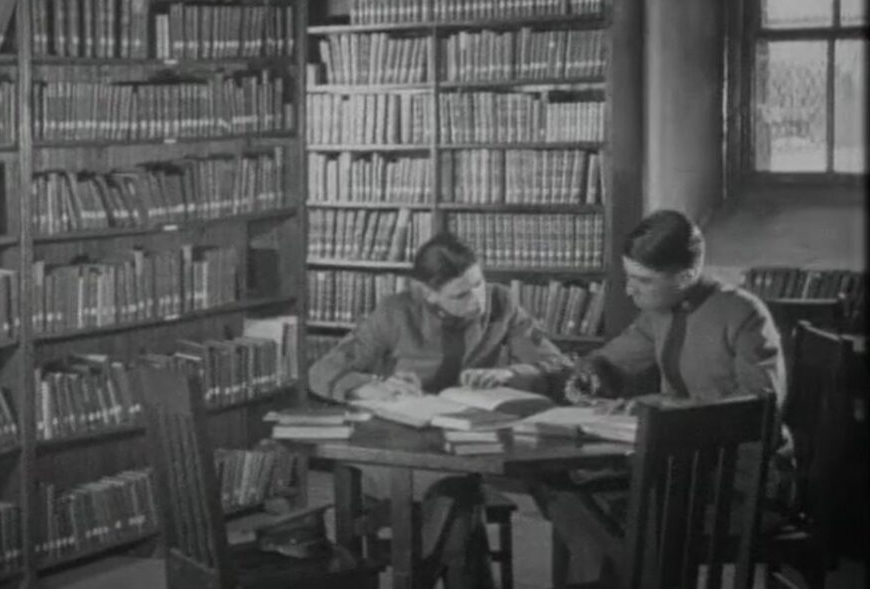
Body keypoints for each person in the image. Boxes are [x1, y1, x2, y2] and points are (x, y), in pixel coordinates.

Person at [528, 209, 791, 584]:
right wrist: (590, 376)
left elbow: (760, 410)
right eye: (628, 277)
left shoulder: (744, 314)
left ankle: (624, 574)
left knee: (608, 511)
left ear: (686, 276)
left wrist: (664, 409)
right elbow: (611, 359)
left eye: (643, 280)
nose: (629, 290)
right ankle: (623, 573)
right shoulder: (658, 313)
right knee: (555, 483)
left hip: (740, 485)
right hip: (675, 471)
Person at [309, 232, 573, 589]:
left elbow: (558, 366)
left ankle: (417, 580)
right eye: (460, 295)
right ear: (427, 293)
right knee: (459, 497)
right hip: (396, 448)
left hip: (464, 443)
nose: (476, 300)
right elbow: (321, 372)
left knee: (459, 492)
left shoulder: (501, 304)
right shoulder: (396, 312)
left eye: (478, 284)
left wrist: (509, 373)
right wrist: (370, 385)